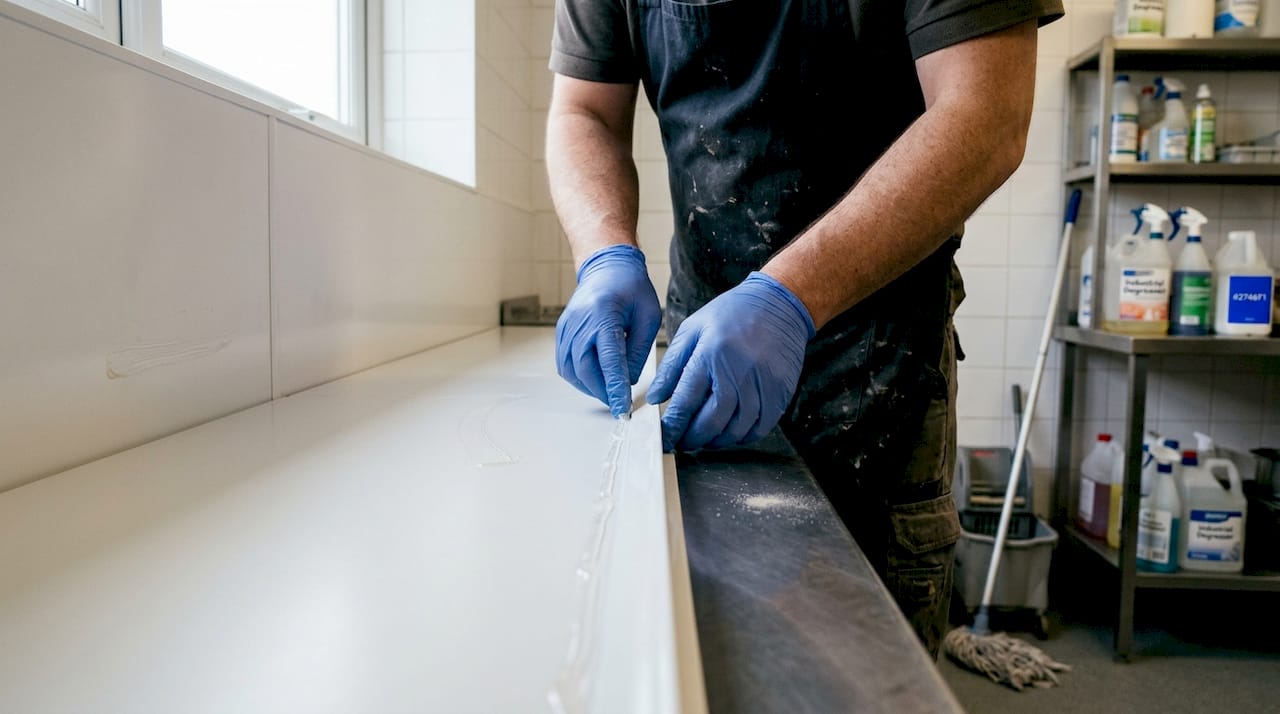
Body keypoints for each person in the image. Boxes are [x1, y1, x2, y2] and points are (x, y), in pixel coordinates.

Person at [546, 0, 1064, 658]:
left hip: (878, 369)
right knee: (707, 648)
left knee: (866, 664)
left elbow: (986, 114)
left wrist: (791, 297)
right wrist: (602, 254)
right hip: (702, 350)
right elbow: (582, 111)